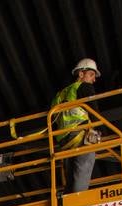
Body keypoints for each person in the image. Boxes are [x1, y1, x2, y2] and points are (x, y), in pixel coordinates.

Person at [51, 58, 102, 195]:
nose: (93, 80)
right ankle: (78, 201)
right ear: (81, 74)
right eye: (91, 75)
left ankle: (68, 199)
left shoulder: (60, 95)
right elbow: (94, 111)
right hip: (79, 134)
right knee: (83, 166)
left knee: (71, 175)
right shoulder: (84, 87)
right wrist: (102, 129)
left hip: (63, 141)